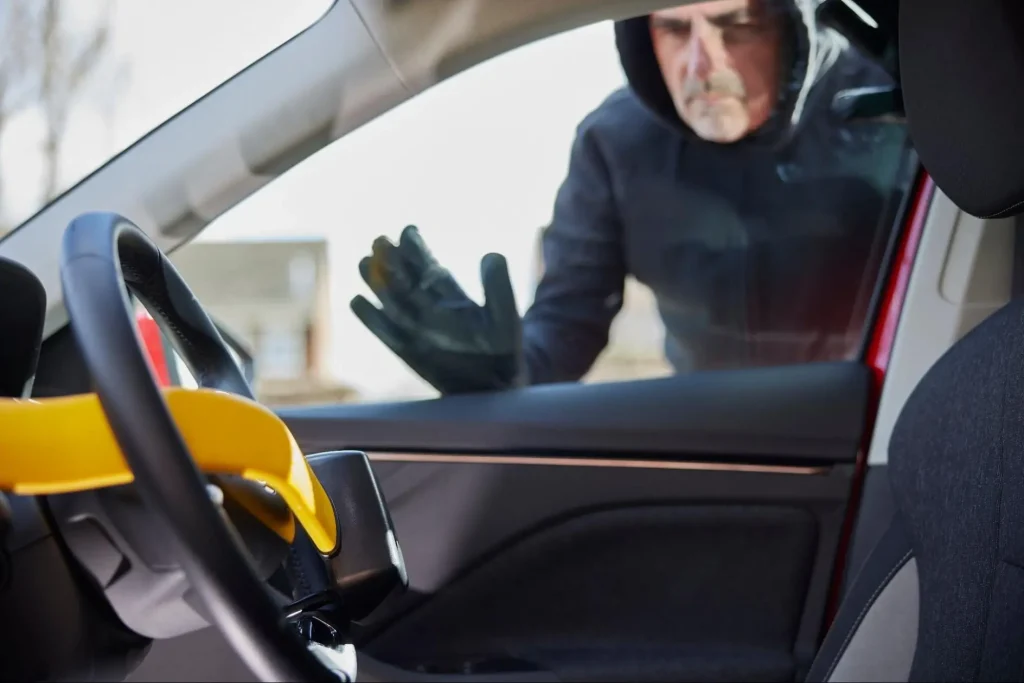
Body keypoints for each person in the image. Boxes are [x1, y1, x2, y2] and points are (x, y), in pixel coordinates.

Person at [350, 0, 908, 395]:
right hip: (724, 450)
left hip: (880, 431)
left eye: (735, 26)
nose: (700, 64)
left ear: (791, 23)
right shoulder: (616, 144)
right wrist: (499, 369)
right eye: (673, 29)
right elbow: (566, 328)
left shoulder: (895, 100)